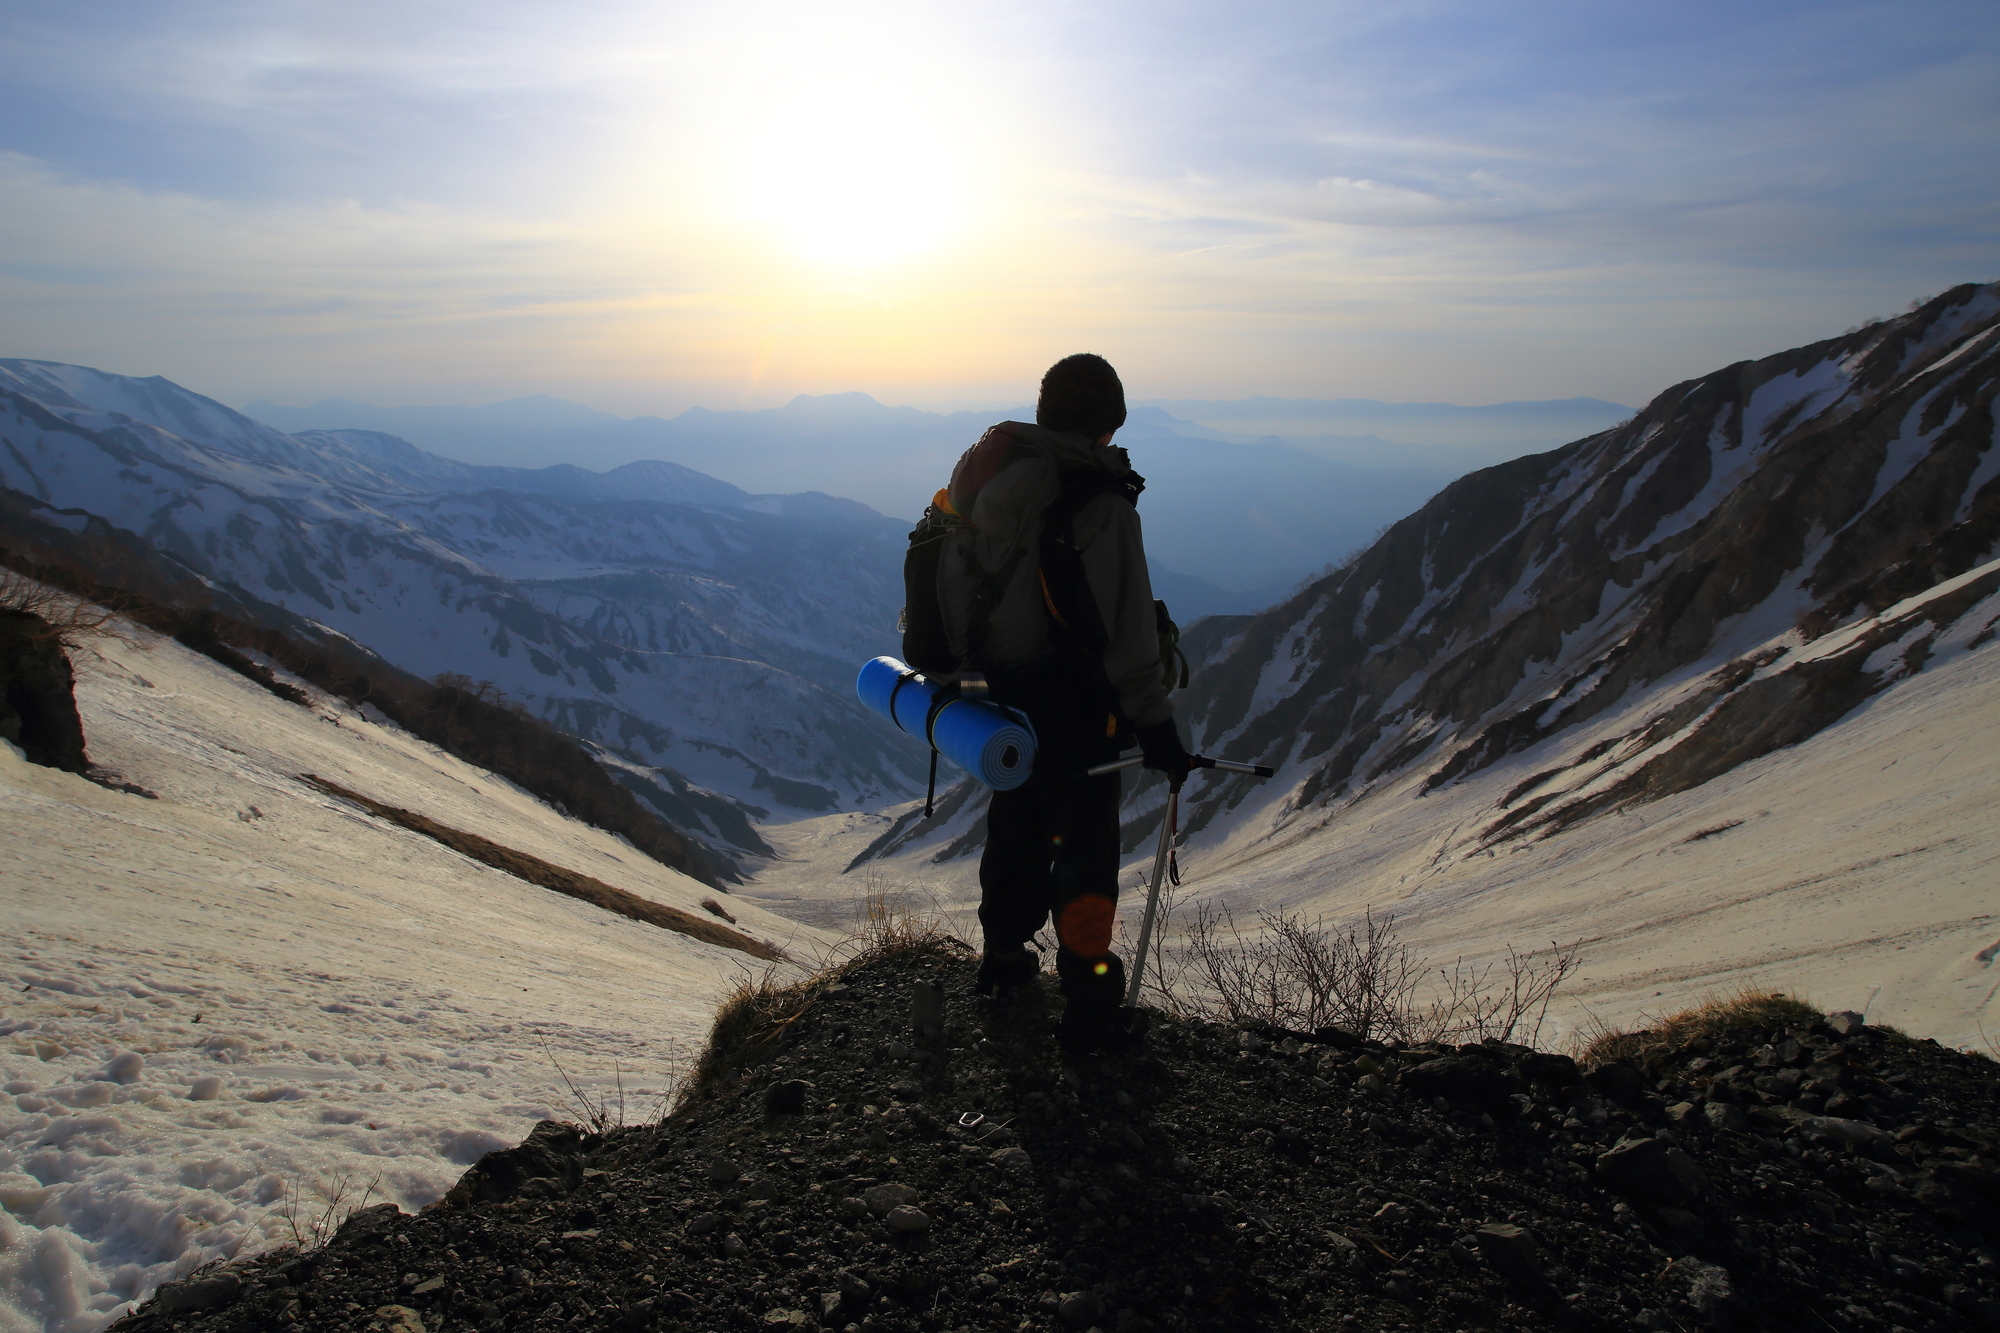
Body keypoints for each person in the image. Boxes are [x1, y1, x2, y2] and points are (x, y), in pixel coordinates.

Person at [926, 353, 1192, 1050]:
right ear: (1109, 424)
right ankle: (1088, 1001)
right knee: (1084, 843)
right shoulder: (1095, 498)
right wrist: (1155, 723)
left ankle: (1004, 960)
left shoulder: (992, 471)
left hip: (1000, 689)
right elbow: (1127, 627)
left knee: (1016, 815)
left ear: (1044, 412)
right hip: (1075, 701)